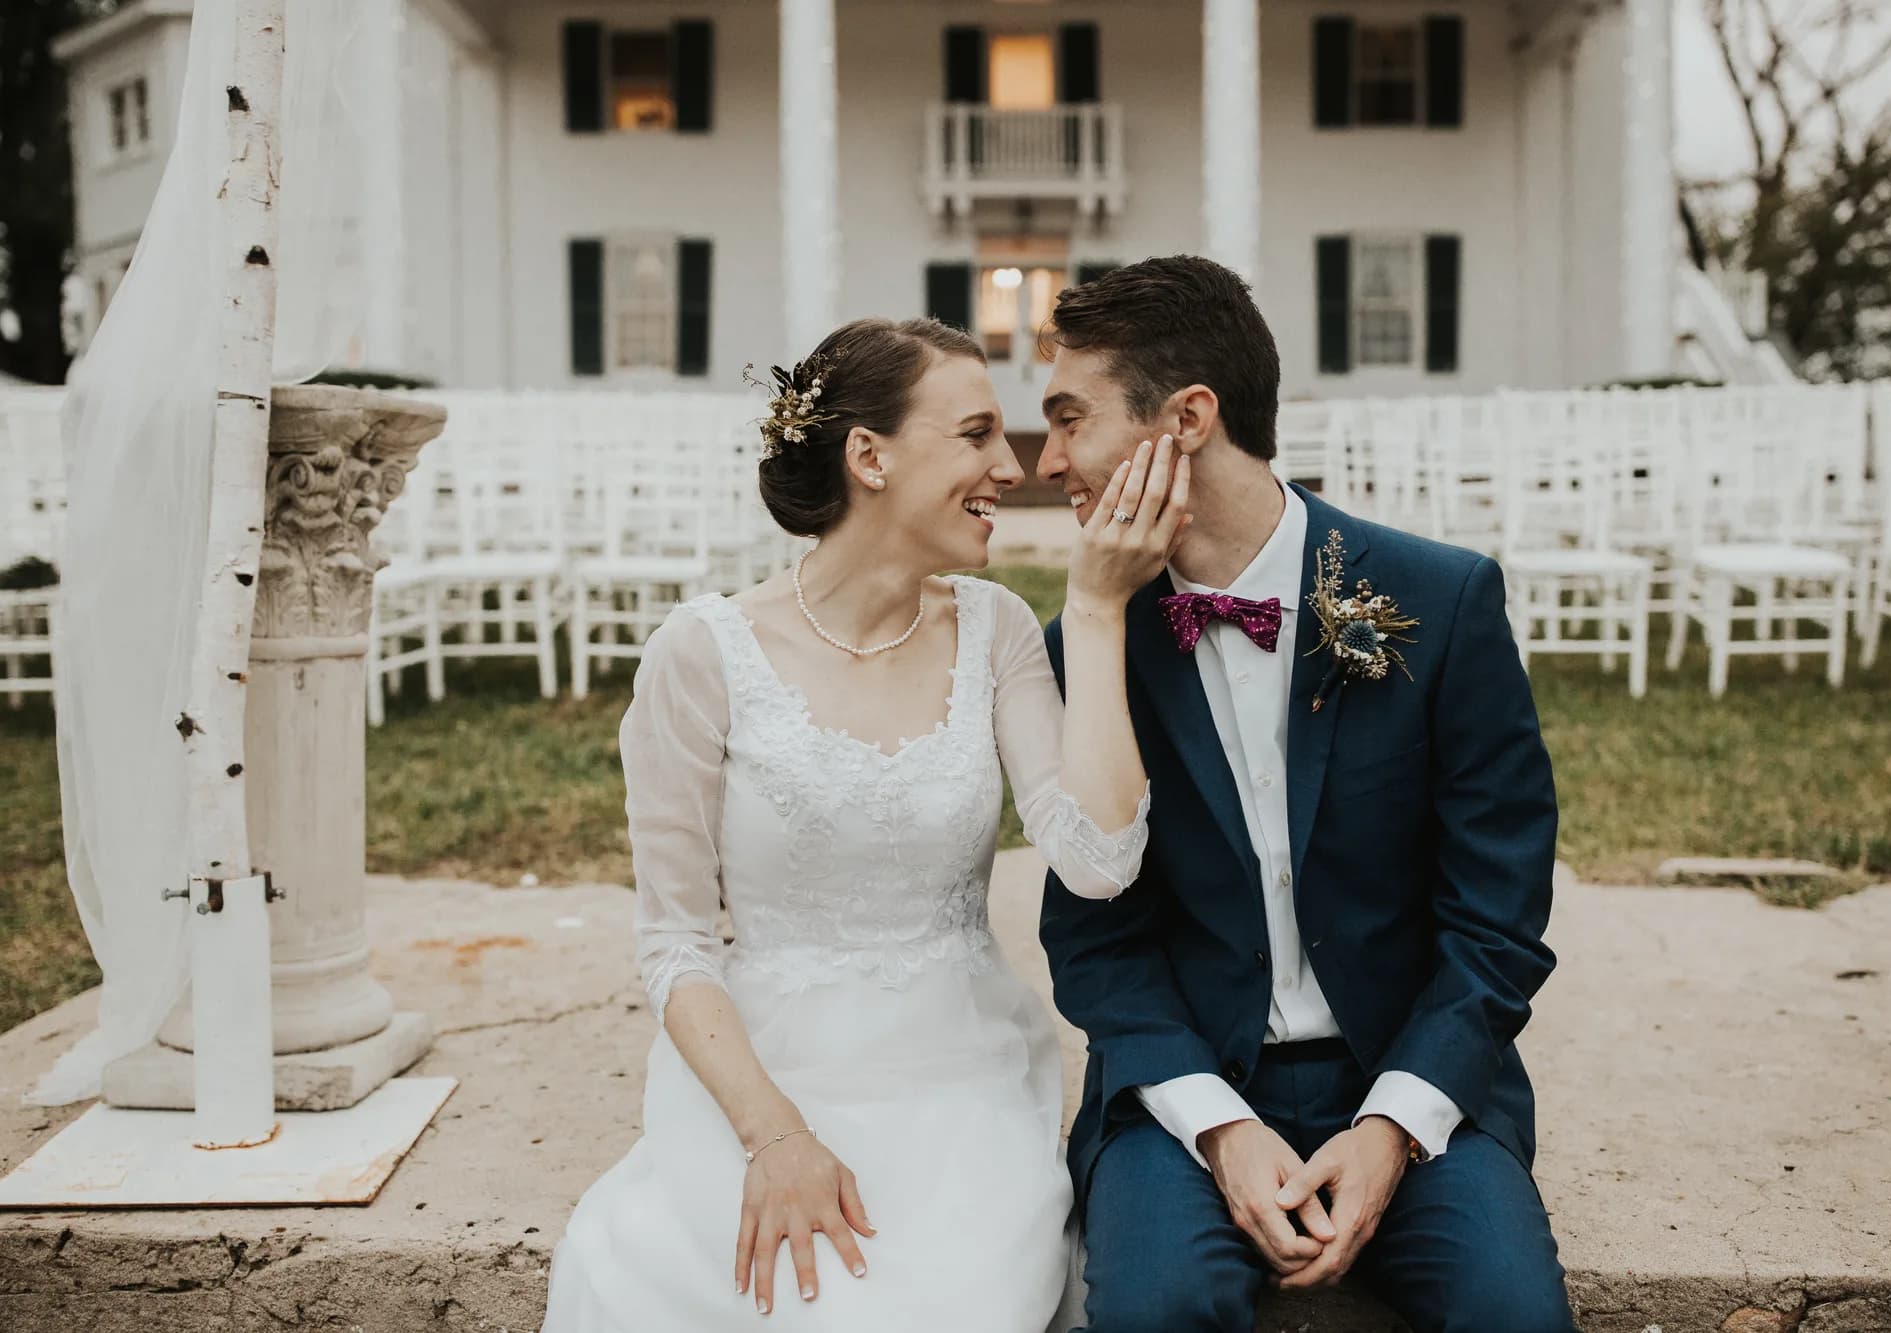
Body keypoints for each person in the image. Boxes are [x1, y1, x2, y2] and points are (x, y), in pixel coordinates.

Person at [540, 316, 1188, 1331]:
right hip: (757, 1079)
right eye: (975, 433)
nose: (1008, 467)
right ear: (868, 455)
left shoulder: (996, 631)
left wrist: (1098, 609)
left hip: (959, 1076)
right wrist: (774, 1137)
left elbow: (1100, 860)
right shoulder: (701, 651)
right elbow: (673, 943)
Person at [1036, 256, 1577, 1333]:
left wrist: (1395, 1125)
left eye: (1067, 418)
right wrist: (1216, 1128)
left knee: (1513, 1315)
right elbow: (1093, 941)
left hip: (1414, 1076)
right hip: (1180, 1094)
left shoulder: (1440, 599)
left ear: (1185, 418)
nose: (1045, 459)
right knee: (1155, 1312)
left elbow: (1497, 914)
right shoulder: (1083, 646)